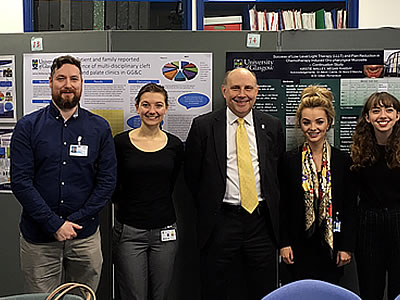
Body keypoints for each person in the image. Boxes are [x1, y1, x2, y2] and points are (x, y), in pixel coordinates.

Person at [10, 55, 117, 292]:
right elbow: (20, 181)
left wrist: (75, 221)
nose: (68, 84)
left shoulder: (99, 127)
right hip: (39, 240)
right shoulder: (28, 126)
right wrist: (54, 224)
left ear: (81, 83)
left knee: (83, 297)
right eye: (61, 78)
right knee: (42, 299)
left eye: (74, 79)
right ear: (50, 82)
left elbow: (107, 182)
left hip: (84, 238)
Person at [184, 67, 284, 300]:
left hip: (261, 223)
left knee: (262, 289)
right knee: (217, 288)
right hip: (220, 223)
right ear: (224, 91)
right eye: (235, 88)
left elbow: (275, 174)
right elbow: (192, 176)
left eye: (248, 88)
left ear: (256, 92)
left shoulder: (271, 126)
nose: (242, 94)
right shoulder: (204, 126)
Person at [350, 92, 400, 300]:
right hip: (368, 225)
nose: (382, 115)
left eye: (388, 110)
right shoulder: (358, 151)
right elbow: (351, 201)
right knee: (370, 292)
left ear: (397, 116)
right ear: (367, 117)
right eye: (375, 110)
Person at [112, 83, 184, 300]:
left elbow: (171, 184)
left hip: (165, 231)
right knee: (134, 295)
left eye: (158, 105)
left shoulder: (175, 145)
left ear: (166, 108)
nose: (152, 111)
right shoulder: (121, 143)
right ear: (137, 107)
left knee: (160, 295)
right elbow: (115, 184)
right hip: (129, 232)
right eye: (146, 105)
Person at [279, 85, 357, 284]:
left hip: (331, 244)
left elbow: (350, 206)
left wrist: (346, 246)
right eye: (306, 122)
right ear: (300, 124)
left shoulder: (342, 161)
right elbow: (282, 206)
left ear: (329, 123)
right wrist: (284, 243)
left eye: (319, 122)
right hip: (297, 246)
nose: (313, 128)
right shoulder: (289, 160)